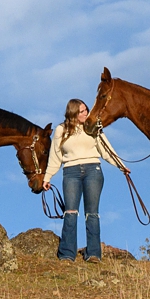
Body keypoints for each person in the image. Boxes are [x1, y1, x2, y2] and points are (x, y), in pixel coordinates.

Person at [42, 97, 129, 260]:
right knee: (70, 212)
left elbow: (106, 150)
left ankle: (94, 254)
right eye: (82, 111)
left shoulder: (93, 127)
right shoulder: (61, 130)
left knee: (92, 214)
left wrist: (121, 166)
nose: (86, 113)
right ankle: (67, 254)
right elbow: (55, 157)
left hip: (93, 170)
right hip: (70, 172)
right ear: (73, 113)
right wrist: (47, 177)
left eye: (86, 110)